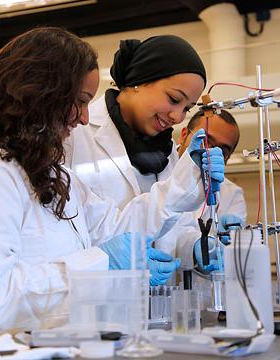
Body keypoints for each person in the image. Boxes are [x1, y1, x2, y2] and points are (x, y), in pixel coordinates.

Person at [0, 28, 224, 339]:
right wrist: (101, 264)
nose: (83, 118)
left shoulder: (57, 178)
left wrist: (187, 183)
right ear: (39, 93)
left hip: (72, 344)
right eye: (79, 101)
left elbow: (119, 226)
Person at [65, 35, 225, 270]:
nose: (177, 117)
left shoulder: (165, 151)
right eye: (174, 99)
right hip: (96, 295)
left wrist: (195, 247)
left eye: (186, 109)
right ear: (140, 79)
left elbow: (171, 227)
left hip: (156, 300)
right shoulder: (76, 134)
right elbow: (84, 230)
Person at [156, 110, 246, 271]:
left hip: (201, 287)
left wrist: (227, 239)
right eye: (206, 141)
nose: (211, 152)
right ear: (183, 135)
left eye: (223, 151)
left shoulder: (232, 194)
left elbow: (232, 254)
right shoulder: (156, 170)